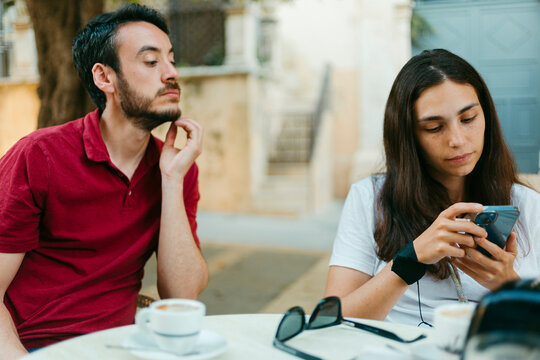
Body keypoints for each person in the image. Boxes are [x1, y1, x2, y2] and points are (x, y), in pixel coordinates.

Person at [0, 4, 208, 358]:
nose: (171, 73)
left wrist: (171, 180)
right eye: (151, 61)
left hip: (124, 349)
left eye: (171, 59)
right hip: (36, 347)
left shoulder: (174, 166)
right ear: (105, 78)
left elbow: (183, 296)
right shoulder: (39, 156)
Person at [325, 49, 540, 327]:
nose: (457, 140)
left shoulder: (528, 204)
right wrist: (409, 260)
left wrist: (508, 284)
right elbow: (331, 320)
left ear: (486, 115)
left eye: (468, 119)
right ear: (408, 136)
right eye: (435, 127)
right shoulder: (370, 198)